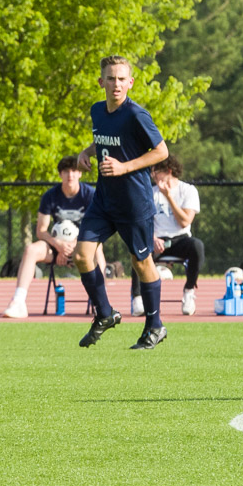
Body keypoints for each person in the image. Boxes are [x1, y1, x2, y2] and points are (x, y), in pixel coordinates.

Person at [73, 55, 170, 350]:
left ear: (130, 82)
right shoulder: (97, 111)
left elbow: (162, 151)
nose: (116, 84)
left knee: (141, 263)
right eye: (110, 78)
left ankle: (155, 326)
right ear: (101, 82)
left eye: (121, 79)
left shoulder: (136, 114)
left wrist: (125, 167)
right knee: (81, 255)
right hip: (104, 200)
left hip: (134, 203)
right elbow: (105, 139)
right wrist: (86, 152)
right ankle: (104, 313)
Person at [1, 155, 106, 318]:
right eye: (65, 171)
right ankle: (18, 302)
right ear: (60, 174)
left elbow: (97, 226)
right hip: (56, 247)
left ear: (80, 174)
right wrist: (59, 246)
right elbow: (41, 230)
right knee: (31, 249)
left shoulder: (90, 195)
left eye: (74, 171)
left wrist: (74, 244)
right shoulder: (50, 196)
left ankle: (101, 304)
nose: (70, 175)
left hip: (81, 245)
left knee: (98, 250)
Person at [129, 156, 204, 317]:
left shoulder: (188, 190)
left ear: (168, 171)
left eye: (156, 171)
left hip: (180, 239)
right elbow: (143, 222)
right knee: (138, 250)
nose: (153, 175)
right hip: (156, 240)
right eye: (151, 172)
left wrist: (169, 196)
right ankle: (137, 298)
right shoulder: (150, 193)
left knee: (197, 246)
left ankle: (189, 291)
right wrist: (153, 238)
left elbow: (185, 221)